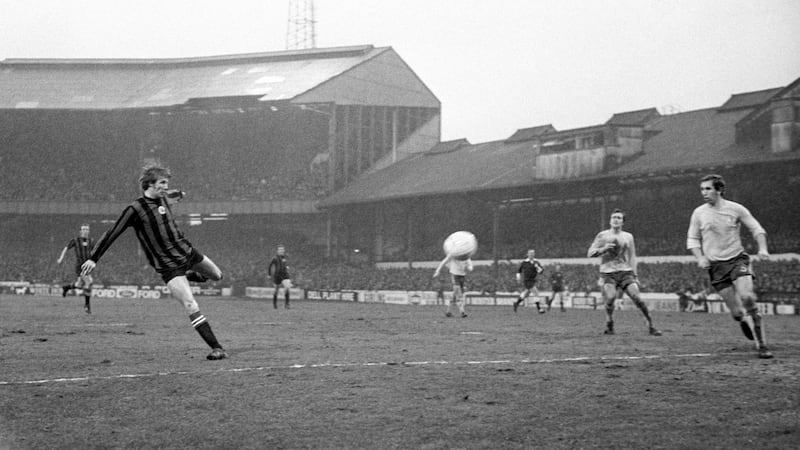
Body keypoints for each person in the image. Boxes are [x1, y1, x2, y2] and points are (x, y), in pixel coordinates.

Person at [80, 164, 228, 360]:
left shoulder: (164, 198)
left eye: (167, 183)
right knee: (190, 303)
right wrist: (93, 257)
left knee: (218, 276)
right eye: (162, 183)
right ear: (150, 184)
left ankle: (190, 275)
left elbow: (174, 195)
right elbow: (113, 232)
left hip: (188, 252)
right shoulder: (135, 209)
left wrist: (180, 193)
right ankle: (217, 348)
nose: (166, 186)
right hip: (169, 266)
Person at [687, 174, 773, 359]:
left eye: (708, 189)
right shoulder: (699, 213)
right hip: (716, 267)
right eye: (702, 189)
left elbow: (757, 228)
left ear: (719, 190)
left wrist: (763, 248)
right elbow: (692, 239)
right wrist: (700, 257)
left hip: (737, 260)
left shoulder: (736, 209)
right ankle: (742, 319)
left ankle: (762, 344)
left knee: (747, 297)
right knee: (736, 312)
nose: (704, 192)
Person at [587, 209, 662, 336]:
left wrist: (635, 275)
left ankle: (651, 326)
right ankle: (609, 322)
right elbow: (590, 253)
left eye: (619, 218)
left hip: (625, 272)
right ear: (610, 221)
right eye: (613, 217)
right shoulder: (602, 235)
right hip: (608, 272)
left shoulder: (628, 236)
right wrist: (603, 249)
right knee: (610, 298)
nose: (616, 219)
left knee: (637, 298)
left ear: (623, 222)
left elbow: (632, 256)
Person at [56, 224, 95, 314]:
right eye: (83, 229)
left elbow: (94, 251)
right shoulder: (75, 240)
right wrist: (61, 258)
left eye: (87, 229)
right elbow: (66, 248)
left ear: (89, 231)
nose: (85, 231)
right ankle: (87, 305)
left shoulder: (91, 241)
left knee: (79, 285)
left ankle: (66, 288)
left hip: (88, 266)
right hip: (80, 266)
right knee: (89, 282)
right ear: (80, 231)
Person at [433, 253, 473, 318]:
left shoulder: (466, 256)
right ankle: (462, 312)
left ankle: (448, 311)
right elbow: (443, 262)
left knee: (456, 294)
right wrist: (437, 271)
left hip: (462, 276)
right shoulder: (453, 254)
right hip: (454, 275)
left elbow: (470, 267)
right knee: (459, 293)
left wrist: (468, 267)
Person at [268, 245, 292, 309]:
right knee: (276, 290)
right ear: (277, 251)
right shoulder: (275, 258)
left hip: (285, 275)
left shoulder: (285, 257)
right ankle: (274, 303)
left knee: (287, 287)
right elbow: (270, 265)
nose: (281, 251)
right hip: (277, 276)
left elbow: (286, 264)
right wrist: (269, 274)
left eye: (282, 250)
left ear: (284, 251)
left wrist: (287, 267)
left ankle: (287, 304)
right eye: (280, 250)